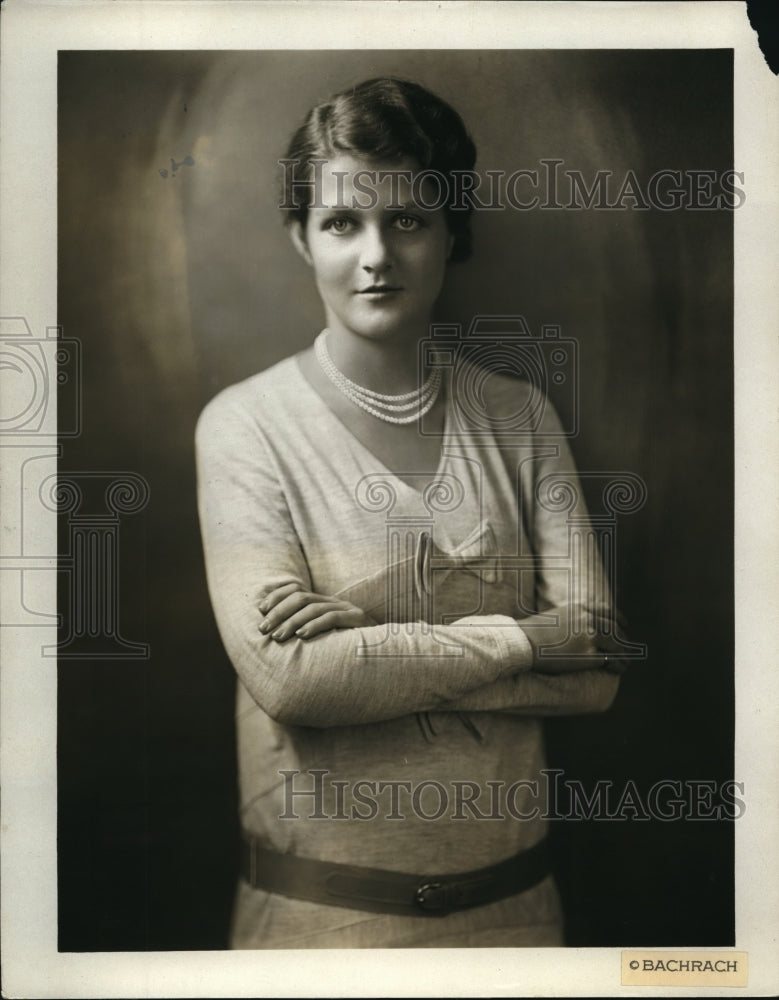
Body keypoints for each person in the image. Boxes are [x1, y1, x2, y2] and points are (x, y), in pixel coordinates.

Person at [195, 77, 625, 949]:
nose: (376, 256)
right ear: (299, 236)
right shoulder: (244, 426)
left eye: (409, 220)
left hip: (516, 920)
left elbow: (601, 662)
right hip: (323, 928)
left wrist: (374, 638)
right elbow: (296, 682)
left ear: (450, 234)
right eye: (342, 223)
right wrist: (528, 636)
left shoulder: (520, 417)